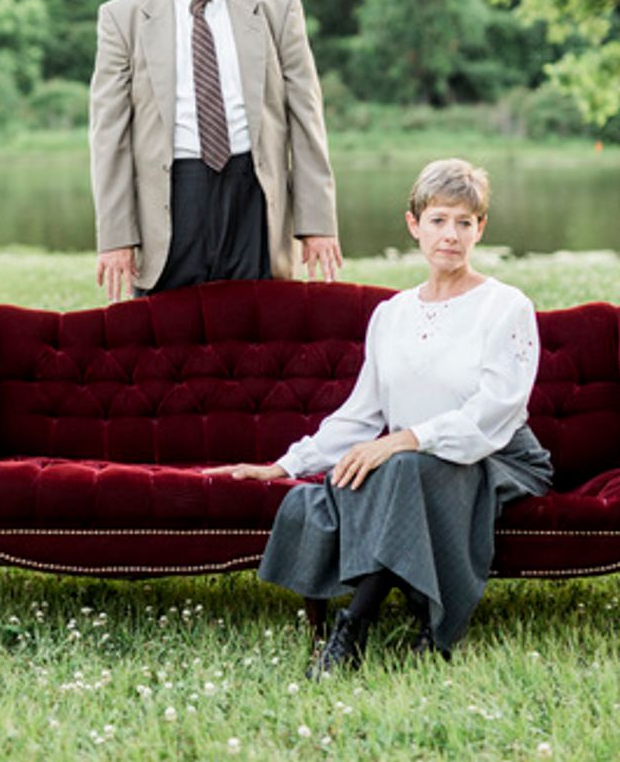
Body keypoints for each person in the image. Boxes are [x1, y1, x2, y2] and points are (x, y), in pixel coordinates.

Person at [205, 159, 553, 677]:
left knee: (404, 469)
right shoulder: (392, 314)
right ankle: (378, 619)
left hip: (497, 455)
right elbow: (361, 415)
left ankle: (355, 627)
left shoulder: (505, 306)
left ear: (481, 228)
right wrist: (285, 465)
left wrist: (403, 441)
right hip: (411, 460)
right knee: (372, 474)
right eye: (438, 220)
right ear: (413, 225)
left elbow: (494, 409)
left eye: (464, 222)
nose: (451, 236)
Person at [88, 0, 342, 300]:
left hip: (254, 195)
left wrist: (316, 224)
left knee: (255, 336)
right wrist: (116, 235)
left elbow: (307, 120)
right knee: (169, 343)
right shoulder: (123, 17)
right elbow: (108, 137)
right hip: (171, 199)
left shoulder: (279, 8)